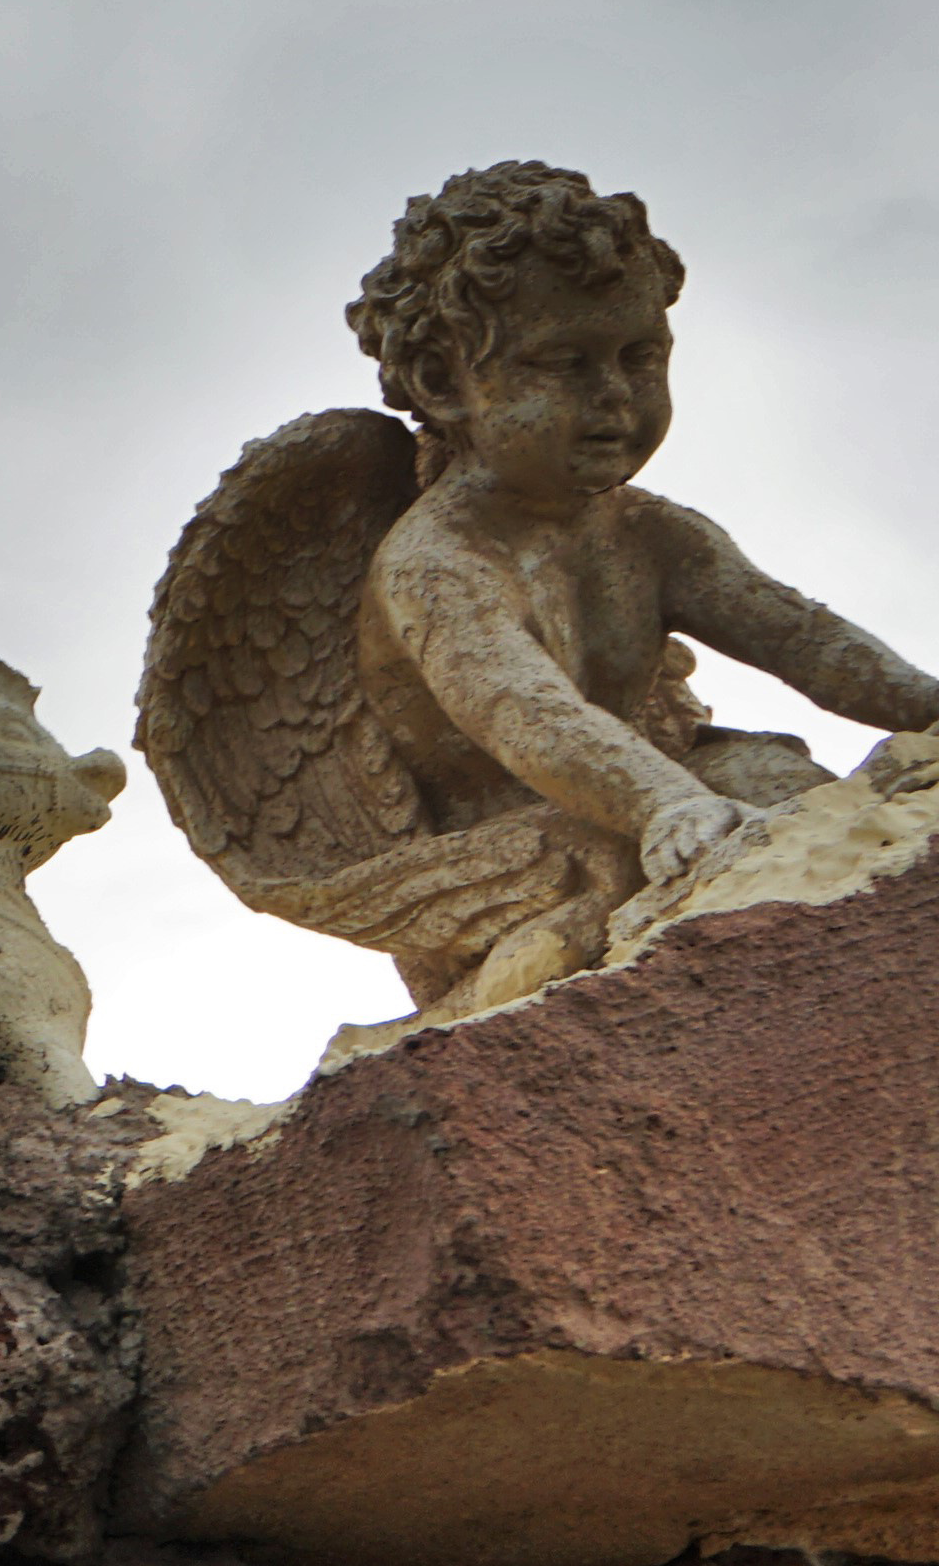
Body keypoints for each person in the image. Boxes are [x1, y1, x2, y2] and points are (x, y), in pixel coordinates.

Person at [349, 169, 939, 1009]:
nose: (616, 396)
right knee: (618, 870)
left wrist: (926, 706)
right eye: (565, 363)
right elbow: (524, 714)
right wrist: (664, 802)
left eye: (641, 356)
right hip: (509, 860)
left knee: (780, 783)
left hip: (657, 790)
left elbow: (803, 639)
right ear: (444, 383)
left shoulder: (650, 532)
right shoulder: (434, 563)